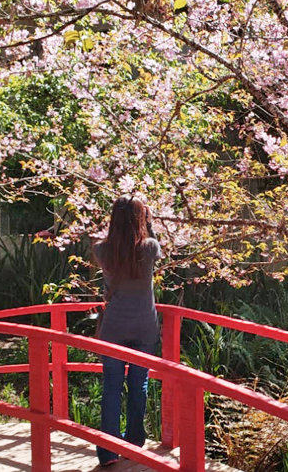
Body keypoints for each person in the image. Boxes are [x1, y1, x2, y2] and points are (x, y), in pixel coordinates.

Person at [93, 195, 161, 466]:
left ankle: (108, 452)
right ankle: (134, 443)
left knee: (111, 387)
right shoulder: (150, 248)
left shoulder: (101, 250)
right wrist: (150, 221)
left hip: (114, 327)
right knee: (138, 384)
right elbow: (155, 244)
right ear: (140, 218)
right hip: (145, 326)